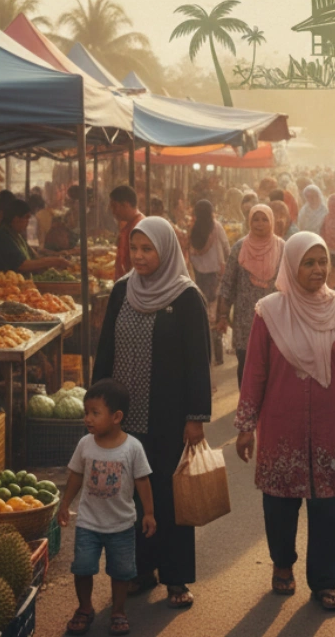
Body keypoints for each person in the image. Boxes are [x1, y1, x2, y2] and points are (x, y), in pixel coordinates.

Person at [234, 232, 335, 612]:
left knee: (328, 510)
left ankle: (324, 583)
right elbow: (255, 373)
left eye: (322, 262)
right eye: (308, 263)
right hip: (282, 427)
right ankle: (283, 563)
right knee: (279, 506)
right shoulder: (269, 312)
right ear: (292, 265)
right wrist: (246, 425)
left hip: (331, 429)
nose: (317, 269)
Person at [92, 217, 211, 610]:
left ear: (166, 249)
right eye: (135, 248)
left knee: (169, 496)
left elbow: (198, 361)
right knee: (129, 498)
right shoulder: (123, 290)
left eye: (148, 249)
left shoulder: (186, 296)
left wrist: (195, 417)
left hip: (168, 415)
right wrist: (97, 408)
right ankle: (139, 569)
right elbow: (106, 346)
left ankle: (175, 578)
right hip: (124, 417)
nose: (140, 257)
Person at [60, 379, 156, 637]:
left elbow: (142, 481)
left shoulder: (132, 447)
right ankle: (85, 608)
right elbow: (76, 476)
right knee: (82, 567)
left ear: (116, 417)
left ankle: (118, 610)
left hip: (122, 524)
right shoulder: (85, 444)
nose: (87, 419)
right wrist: (64, 503)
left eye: (94, 413)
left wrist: (148, 513)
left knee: (122, 572)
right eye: (86, 412)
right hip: (88, 523)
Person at [218, 205, 282, 387]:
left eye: (264, 219)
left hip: (274, 320)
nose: (259, 224)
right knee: (246, 367)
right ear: (249, 221)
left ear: (271, 222)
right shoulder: (239, 248)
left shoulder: (282, 248)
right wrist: (222, 315)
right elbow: (227, 284)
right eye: (255, 219)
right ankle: (246, 410)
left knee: (272, 368)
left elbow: (289, 285)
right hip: (245, 321)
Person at [189, 200, 230, 366]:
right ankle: (218, 355)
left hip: (197, 274)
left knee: (202, 311)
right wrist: (227, 264)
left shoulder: (193, 228)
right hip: (214, 275)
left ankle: (204, 352)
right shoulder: (216, 227)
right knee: (214, 312)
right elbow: (227, 247)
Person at [0, 199, 70, 278]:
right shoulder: (3, 237)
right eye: (26, 217)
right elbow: (22, 265)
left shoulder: (17, 235)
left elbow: (35, 257)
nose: (28, 222)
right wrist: (54, 261)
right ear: (16, 219)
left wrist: (56, 257)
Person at [109, 186, 145, 281]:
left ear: (125, 205)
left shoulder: (139, 227)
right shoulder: (129, 224)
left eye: (114, 206)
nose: (112, 211)